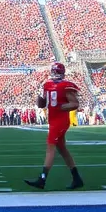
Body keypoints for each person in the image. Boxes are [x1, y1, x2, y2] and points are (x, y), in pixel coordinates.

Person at [24, 62, 83, 190]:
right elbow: (41, 104)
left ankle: (42, 179)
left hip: (60, 121)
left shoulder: (65, 85)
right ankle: (77, 178)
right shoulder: (47, 85)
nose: (55, 74)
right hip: (53, 120)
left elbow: (74, 104)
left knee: (50, 148)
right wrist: (39, 94)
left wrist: (63, 106)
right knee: (62, 149)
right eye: (54, 71)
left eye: (57, 71)